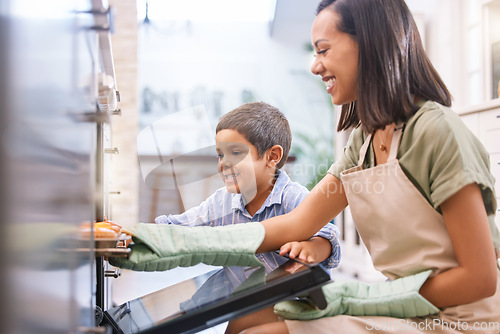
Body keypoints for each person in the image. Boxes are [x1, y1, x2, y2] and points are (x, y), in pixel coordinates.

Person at [237, 0, 500, 333]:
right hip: (405, 310)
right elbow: (298, 222)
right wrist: (189, 242)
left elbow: (480, 278)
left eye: (323, 50)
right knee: (246, 317)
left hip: (460, 320)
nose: (316, 66)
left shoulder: (437, 132)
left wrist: (364, 298)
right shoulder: (363, 142)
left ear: (370, 44)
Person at [154, 101, 340, 333]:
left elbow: (329, 234)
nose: (223, 163)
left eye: (236, 153)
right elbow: (180, 226)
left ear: (272, 156)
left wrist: (313, 248)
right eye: (220, 154)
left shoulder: (293, 198)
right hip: (249, 300)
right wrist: (129, 234)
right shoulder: (220, 203)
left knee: (241, 324)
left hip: (299, 305)